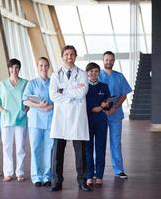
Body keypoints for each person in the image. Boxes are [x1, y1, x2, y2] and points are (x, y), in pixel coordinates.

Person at [49, 45, 91, 192]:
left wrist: (64, 91)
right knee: (57, 153)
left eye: (72, 54)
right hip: (61, 118)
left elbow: (82, 92)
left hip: (77, 117)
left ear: (75, 56)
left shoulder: (82, 74)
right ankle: (56, 182)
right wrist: (72, 93)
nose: (69, 57)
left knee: (80, 153)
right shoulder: (55, 75)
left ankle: (82, 181)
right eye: (66, 54)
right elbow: (53, 95)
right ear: (62, 56)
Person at [99, 51, 132, 179]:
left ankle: (119, 169)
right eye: (107, 60)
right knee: (99, 142)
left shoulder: (119, 76)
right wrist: (104, 109)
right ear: (103, 60)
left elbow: (124, 94)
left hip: (115, 114)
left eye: (111, 60)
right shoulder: (98, 75)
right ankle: (97, 170)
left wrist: (115, 107)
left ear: (114, 61)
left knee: (116, 142)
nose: (109, 62)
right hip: (101, 114)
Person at [0, 58, 28, 182]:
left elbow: (28, 100)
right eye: (12, 67)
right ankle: (8, 173)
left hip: (20, 119)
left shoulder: (25, 83)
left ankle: (20, 172)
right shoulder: (3, 84)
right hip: (6, 120)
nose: (14, 70)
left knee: (20, 147)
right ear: (9, 69)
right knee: (7, 147)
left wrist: (25, 111)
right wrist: (3, 111)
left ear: (19, 69)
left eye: (16, 67)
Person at [22, 57, 53, 187]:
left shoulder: (53, 82)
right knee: (35, 149)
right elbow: (25, 101)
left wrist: (50, 106)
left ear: (49, 66)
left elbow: (58, 100)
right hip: (35, 121)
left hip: (51, 120)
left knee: (48, 149)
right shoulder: (32, 83)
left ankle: (47, 176)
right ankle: (36, 177)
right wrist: (39, 105)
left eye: (46, 65)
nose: (43, 68)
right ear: (37, 66)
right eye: (41, 65)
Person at [85, 62, 112, 188]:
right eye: (91, 71)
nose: (93, 73)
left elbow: (109, 102)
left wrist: (106, 104)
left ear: (99, 73)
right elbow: (80, 104)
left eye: (96, 71)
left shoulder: (104, 86)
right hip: (87, 120)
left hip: (101, 121)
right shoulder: (83, 87)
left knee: (100, 148)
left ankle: (99, 176)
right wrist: (92, 109)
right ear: (87, 73)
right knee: (88, 148)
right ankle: (90, 175)